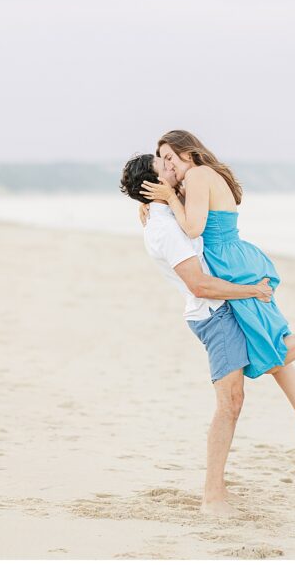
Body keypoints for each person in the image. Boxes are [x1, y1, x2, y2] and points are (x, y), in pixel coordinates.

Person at [139, 129, 295, 459]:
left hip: (231, 266)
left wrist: (168, 199)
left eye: (170, 158)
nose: (167, 166)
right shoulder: (199, 177)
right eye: (162, 160)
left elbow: (193, 229)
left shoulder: (197, 174)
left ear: (189, 154)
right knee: (268, 349)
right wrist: (157, 203)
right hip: (232, 261)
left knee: (270, 352)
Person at [119, 152, 267, 517]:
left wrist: (161, 199)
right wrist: (254, 291)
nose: (173, 169)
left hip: (216, 309)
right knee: (229, 404)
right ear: (153, 186)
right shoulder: (165, 229)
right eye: (164, 168)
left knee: (240, 394)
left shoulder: (167, 213)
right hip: (212, 315)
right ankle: (212, 498)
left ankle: (217, 490)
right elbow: (199, 285)